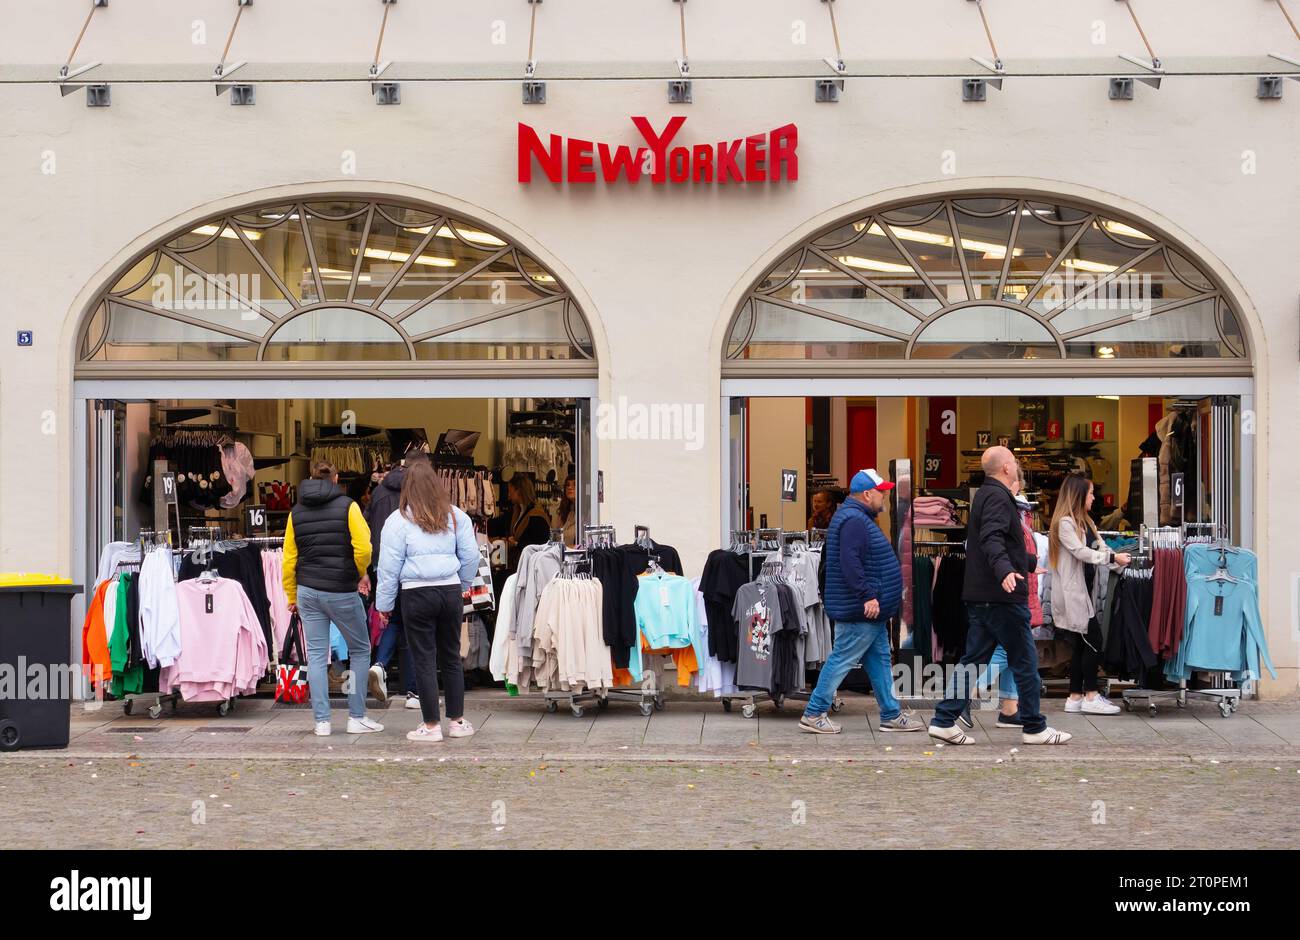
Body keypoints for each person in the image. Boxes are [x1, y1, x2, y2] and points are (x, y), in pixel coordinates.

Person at [928, 446, 1072, 746]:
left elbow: (993, 543)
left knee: (972, 661)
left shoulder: (985, 494)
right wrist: (1006, 571)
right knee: (1025, 661)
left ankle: (944, 720)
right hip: (1001, 597)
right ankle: (1034, 727)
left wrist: (1029, 565)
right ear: (1006, 467)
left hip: (984, 595)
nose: (1017, 465)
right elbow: (991, 538)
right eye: (1015, 461)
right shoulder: (997, 496)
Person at [799, 469, 922, 734]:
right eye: (882, 492)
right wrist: (867, 595)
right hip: (861, 609)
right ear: (868, 494)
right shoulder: (855, 520)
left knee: (878, 659)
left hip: (867, 610)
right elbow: (850, 562)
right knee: (842, 657)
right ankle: (814, 712)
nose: (885, 497)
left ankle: (890, 713)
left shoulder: (855, 517)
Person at [375, 460, 482, 743]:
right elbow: (471, 557)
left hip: (416, 593)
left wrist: (384, 605)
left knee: (423, 657)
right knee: (451, 656)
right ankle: (457, 721)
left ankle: (431, 725)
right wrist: (462, 583)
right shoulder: (456, 516)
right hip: (449, 591)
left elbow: (388, 566)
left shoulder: (397, 521)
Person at [283, 461, 384, 737]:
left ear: (309, 478)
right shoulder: (348, 506)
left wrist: (292, 594)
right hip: (340, 589)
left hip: (308, 590)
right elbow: (364, 546)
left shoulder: (296, 512)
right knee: (360, 649)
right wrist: (359, 572)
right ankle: (356, 717)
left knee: (316, 655)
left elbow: (289, 558)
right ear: (336, 478)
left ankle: (322, 722)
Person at [1049, 472, 1131, 714]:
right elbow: (1080, 552)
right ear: (1079, 495)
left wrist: (1117, 562)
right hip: (1073, 594)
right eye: (1091, 493)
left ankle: (1075, 696)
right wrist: (1113, 557)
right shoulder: (1065, 523)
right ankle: (1091, 695)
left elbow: (1100, 548)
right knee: (1093, 640)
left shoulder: (1087, 522)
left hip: (1084, 592)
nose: (1094, 497)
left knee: (1082, 645)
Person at [364, 453, 429, 710]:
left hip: (384, 564)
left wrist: (370, 567)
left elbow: (368, 527)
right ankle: (413, 691)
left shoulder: (379, 492)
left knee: (393, 619)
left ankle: (380, 664)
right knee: (413, 627)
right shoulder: (417, 491)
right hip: (412, 566)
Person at [505, 474, 552, 571]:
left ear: (518, 491)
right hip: (521, 564)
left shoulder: (537, 516)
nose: (509, 495)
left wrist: (516, 544)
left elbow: (540, 544)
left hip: (531, 567)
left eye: (510, 491)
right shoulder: (518, 511)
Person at [554, 472, 577, 546]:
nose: (570, 487)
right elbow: (554, 538)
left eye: (574, 484)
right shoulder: (563, 512)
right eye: (567, 485)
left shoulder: (587, 513)